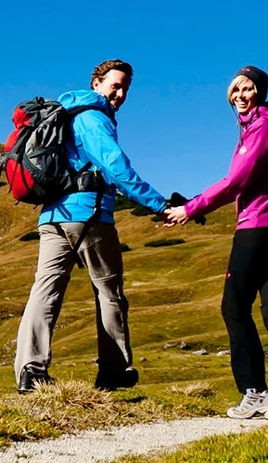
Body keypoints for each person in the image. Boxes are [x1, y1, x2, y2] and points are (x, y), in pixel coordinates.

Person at [164, 65, 268, 420]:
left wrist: (191, 208)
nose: (240, 95)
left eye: (247, 89)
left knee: (233, 307)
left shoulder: (260, 129)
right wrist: (195, 202)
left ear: (259, 92)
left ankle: (257, 391)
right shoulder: (260, 128)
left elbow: (235, 182)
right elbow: (239, 181)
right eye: (236, 90)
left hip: (258, 230)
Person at [14, 59, 170, 394]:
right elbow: (115, 165)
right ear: (96, 84)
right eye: (115, 85)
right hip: (90, 217)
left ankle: (31, 370)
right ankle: (113, 372)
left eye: (126, 87)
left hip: (53, 217)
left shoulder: (65, 114)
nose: (121, 93)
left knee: (45, 291)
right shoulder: (92, 116)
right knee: (109, 293)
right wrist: (159, 204)